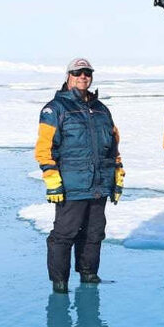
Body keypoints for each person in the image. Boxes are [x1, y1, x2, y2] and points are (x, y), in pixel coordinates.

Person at [35, 57, 124, 294]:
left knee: (94, 232)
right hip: (71, 185)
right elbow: (44, 149)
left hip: (99, 184)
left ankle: (89, 274)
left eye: (87, 73)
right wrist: (52, 179)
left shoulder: (101, 109)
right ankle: (60, 283)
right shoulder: (55, 109)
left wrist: (117, 175)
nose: (83, 77)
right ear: (68, 77)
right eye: (77, 73)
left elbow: (113, 146)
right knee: (64, 234)